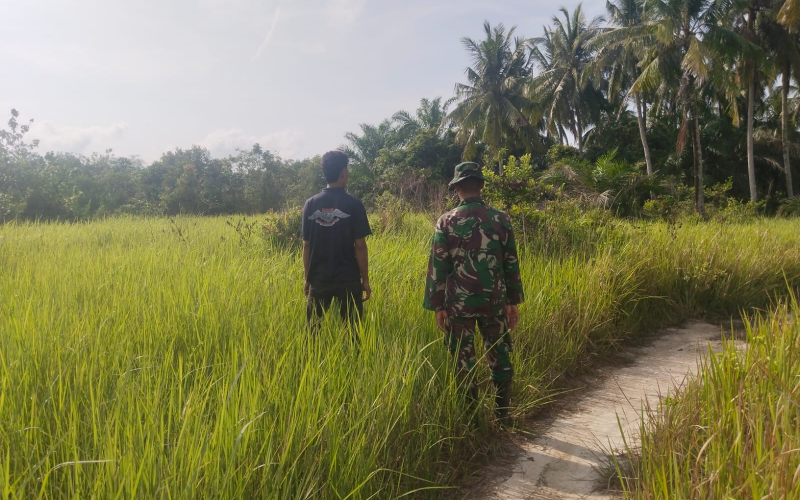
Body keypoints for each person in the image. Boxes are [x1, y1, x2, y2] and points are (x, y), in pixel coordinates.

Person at [423, 162, 524, 426]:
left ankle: (471, 421)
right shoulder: (501, 219)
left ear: (456, 188)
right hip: (495, 300)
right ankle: (503, 416)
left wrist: (438, 305)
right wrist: (512, 301)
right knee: (499, 354)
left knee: (463, 358)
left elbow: (438, 266)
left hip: (459, 303)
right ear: (481, 185)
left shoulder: (445, 221)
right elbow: (510, 263)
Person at [302, 151, 371, 334]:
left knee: (313, 331)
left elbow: (306, 245)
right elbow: (360, 246)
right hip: (348, 277)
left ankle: (311, 360)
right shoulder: (354, 204)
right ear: (343, 173)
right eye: (346, 168)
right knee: (353, 330)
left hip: (318, 277)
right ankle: (354, 361)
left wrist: (307, 278)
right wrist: (365, 279)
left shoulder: (310, 204)